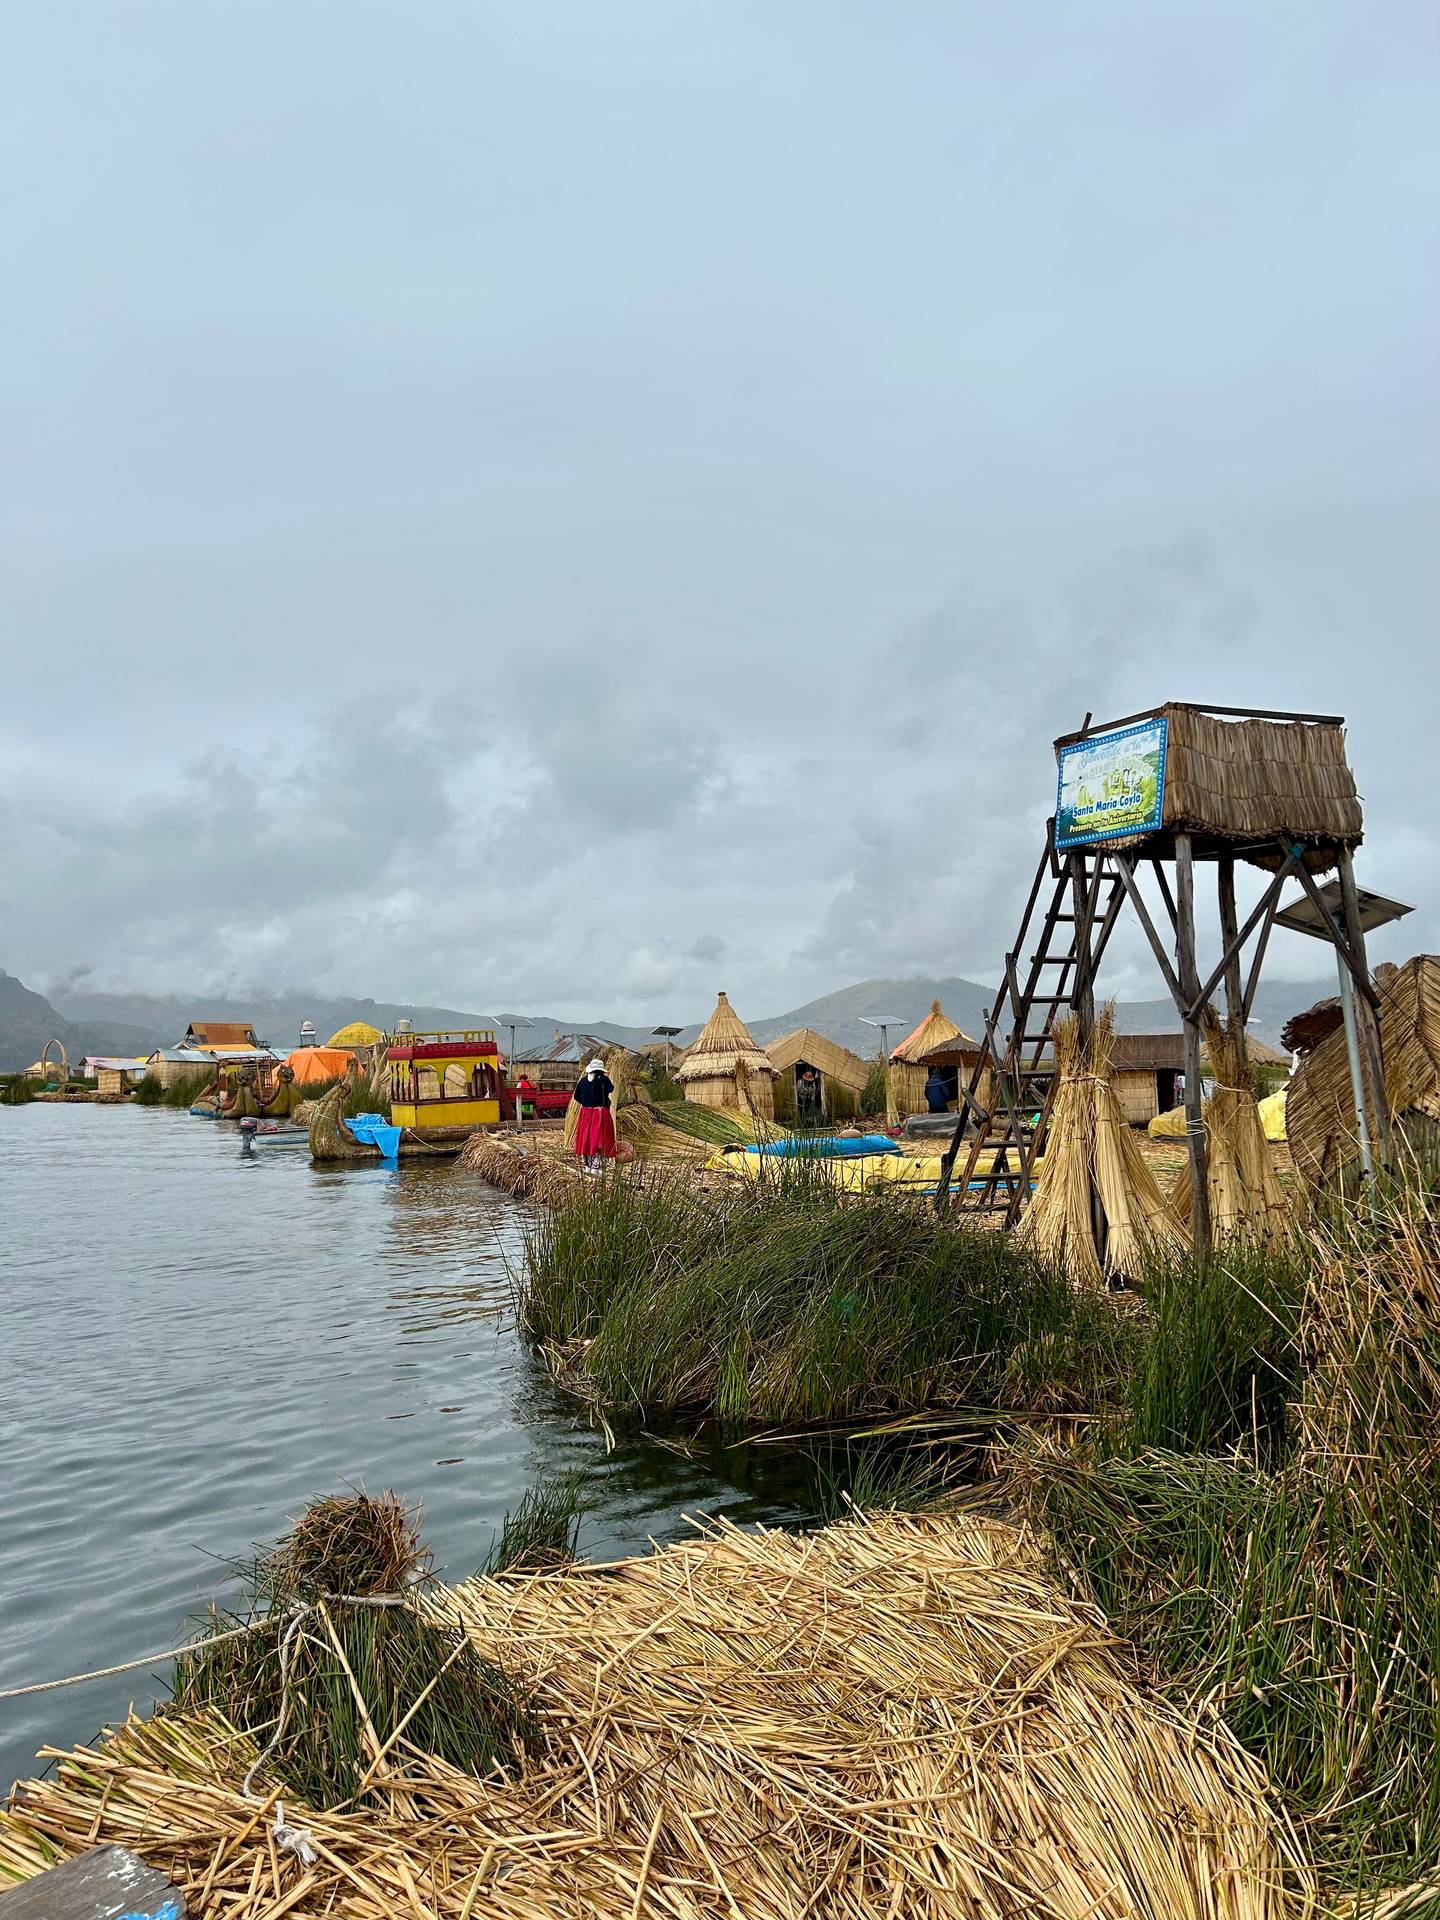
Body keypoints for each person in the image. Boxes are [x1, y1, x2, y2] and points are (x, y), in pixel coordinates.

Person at [572, 1058, 617, 1173]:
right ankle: (597, 1167)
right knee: (600, 1138)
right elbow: (611, 1089)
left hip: (586, 1113)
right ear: (601, 1070)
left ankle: (587, 1165)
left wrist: (586, 1103)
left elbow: (576, 1096)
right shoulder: (604, 1080)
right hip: (600, 1113)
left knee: (587, 1138)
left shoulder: (583, 1081)